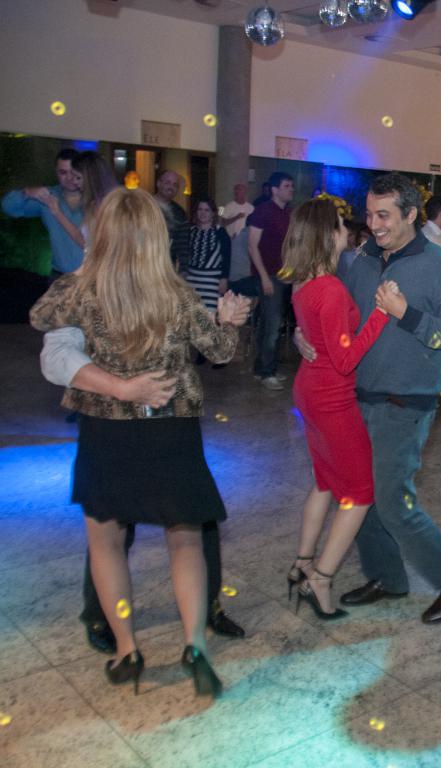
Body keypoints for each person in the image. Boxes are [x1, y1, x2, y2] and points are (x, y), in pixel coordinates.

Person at [29, 187, 252, 700]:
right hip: (171, 429)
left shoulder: (80, 288)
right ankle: (194, 645)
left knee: (106, 544)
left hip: (106, 430)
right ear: (156, 236)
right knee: (186, 541)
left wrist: (87, 274)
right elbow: (219, 351)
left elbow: (40, 316)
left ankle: (127, 649)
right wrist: (230, 320)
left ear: (102, 234)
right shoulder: (177, 293)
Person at [295, 173, 441, 624]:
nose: (374, 224)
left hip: (405, 403)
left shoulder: (439, 265)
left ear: (411, 215)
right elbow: (331, 314)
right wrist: (304, 336)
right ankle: (387, 577)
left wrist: (407, 314)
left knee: (393, 503)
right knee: (359, 495)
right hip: (355, 399)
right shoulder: (361, 259)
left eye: (384, 215)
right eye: (369, 214)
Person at [282, 198, 393, 618]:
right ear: (329, 235)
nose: (349, 231)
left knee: (325, 482)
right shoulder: (328, 288)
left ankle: (302, 563)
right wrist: (381, 314)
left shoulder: (303, 282)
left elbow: (316, 335)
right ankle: (321, 578)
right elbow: (346, 359)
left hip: (310, 390)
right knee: (360, 493)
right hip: (331, 397)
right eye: (342, 226)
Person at [2, 148, 85, 276]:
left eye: (74, 172)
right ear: (56, 172)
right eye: (63, 172)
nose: (69, 178)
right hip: (60, 274)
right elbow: (8, 207)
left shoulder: (97, 198)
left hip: (94, 275)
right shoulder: (47, 196)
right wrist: (27, 192)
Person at [248, 171, 295, 390]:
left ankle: (263, 367)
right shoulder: (263, 211)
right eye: (286, 186)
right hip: (269, 276)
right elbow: (252, 246)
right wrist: (264, 277)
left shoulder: (288, 213)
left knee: (270, 323)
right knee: (273, 325)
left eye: (291, 186)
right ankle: (267, 372)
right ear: (275, 190)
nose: (291, 189)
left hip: (284, 275)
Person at [185, 198, 231, 314]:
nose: (203, 213)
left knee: (209, 317)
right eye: (200, 209)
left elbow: (227, 258)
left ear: (213, 213)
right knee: (191, 315)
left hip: (212, 282)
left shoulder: (221, 232)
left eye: (207, 210)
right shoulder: (190, 231)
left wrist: (224, 278)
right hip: (191, 280)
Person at [154, 170, 190, 273]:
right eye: (167, 183)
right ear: (158, 183)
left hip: (167, 268)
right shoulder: (144, 206)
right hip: (141, 265)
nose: (171, 187)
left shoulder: (179, 213)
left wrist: (183, 270)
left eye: (175, 185)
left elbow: (183, 244)